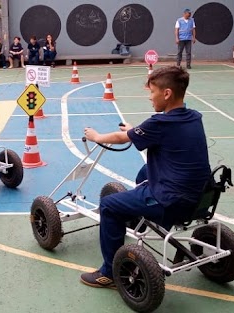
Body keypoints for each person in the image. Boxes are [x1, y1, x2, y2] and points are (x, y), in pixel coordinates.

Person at [79, 66, 211, 288]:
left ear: (166, 93)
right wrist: (135, 130)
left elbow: (121, 138)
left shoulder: (159, 123)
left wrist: (96, 136)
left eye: (152, 92)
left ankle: (109, 272)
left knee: (109, 205)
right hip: (199, 196)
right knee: (144, 173)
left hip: (171, 201)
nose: (150, 98)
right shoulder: (193, 117)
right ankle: (136, 219)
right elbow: (150, 134)